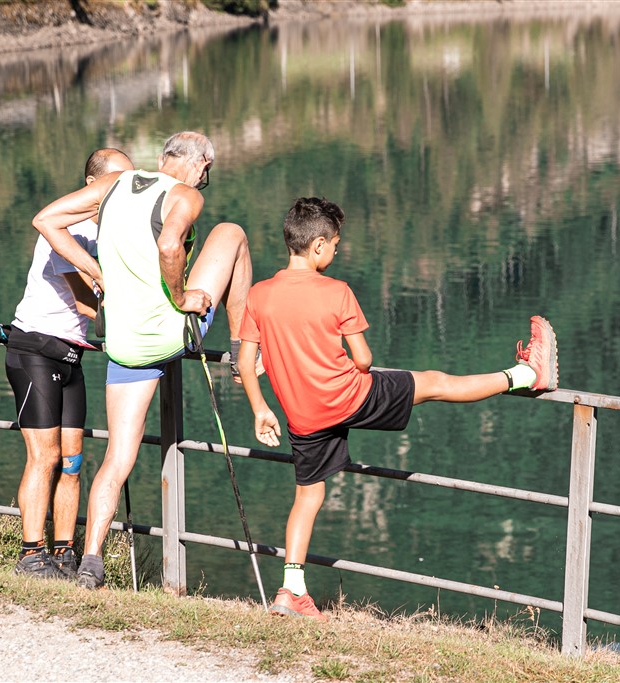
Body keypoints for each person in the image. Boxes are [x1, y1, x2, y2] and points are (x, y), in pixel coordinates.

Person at [237, 197, 558, 621]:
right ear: (318, 245)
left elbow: (246, 362)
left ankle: (290, 591)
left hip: (303, 415)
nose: (337, 252)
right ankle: (527, 374)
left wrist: (261, 409)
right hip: (350, 397)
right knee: (436, 384)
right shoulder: (336, 292)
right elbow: (364, 360)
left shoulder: (259, 295)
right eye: (336, 245)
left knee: (308, 496)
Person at [31, 131, 256, 589]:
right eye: (206, 173)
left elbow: (46, 220)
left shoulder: (115, 184)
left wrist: (96, 271)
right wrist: (181, 297)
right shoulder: (186, 195)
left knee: (117, 457)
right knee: (232, 234)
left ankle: (90, 561)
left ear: (162, 156)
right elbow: (171, 246)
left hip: (124, 344)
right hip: (172, 334)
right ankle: (239, 350)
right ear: (201, 166)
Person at [8, 148, 135, 579]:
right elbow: (88, 304)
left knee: (73, 461)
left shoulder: (104, 235)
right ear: (93, 185)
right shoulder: (71, 229)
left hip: (70, 356)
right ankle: (31, 554)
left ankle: (64, 553)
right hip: (35, 350)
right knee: (44, 457)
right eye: (118, 179)